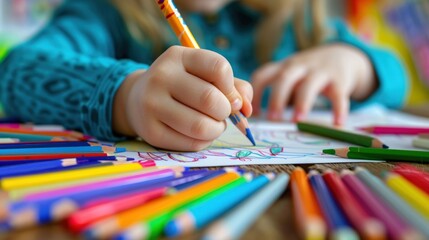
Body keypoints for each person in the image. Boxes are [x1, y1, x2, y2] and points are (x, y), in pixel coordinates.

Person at [0, 0, 407, 151]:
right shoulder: (105, 13)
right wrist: (129, 97)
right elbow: (16, 73)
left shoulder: (295, 21)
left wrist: (354, 64)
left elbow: (397, 77)